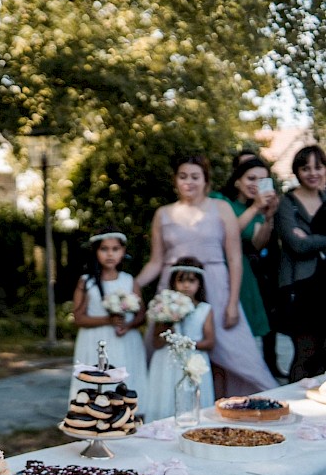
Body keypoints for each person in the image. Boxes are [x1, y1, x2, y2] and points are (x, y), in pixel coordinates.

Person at [136, 153, 276, 398]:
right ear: (175, 181)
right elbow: (156, 261)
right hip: (173, 291)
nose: (189, 182)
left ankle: (238, 405)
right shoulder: (163, 214)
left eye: (195, 176)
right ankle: (171, 406)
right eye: (183, 176)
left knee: (235, 354)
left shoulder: (221, 208)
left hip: (216, 287)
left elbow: (234, 258)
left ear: (206, 181)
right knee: (169, 350)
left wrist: (232, 303)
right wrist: (133, 285)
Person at [211, 157, 279, 367]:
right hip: (217, 268)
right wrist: (254, 208)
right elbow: (224, 234)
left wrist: (268, 218)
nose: (256, 185)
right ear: (237, 180)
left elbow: (258, 244)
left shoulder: (257, 211)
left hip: (243, 274)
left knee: (242, 338)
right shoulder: (219, 200)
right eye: (251, 178)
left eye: (262, 180)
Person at [69, 228, 148, 400]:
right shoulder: (86, 282)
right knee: (95, 384)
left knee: (125, 383)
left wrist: (128, 325)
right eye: (104, 249)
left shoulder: (129, 280)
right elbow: (79, 318)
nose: (110, 254)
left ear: (123, 252)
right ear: (96, 252)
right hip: (94, 341)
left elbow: (141, 315)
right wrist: (107, 319)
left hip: (125, 340)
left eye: (115, 249)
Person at [141, 258, 216, 421]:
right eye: (181, 280)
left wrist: (188, 344)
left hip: (193, 361)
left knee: (190, 400)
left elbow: (210, 342)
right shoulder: (164, 305)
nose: (186, 285)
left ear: (200, 283)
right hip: (166, 361)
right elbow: (156, 342)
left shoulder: (204, 309)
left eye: (191, 280)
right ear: (173, 282)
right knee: (166, 395)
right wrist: (168, 323)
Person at [276, 144, 326, 380]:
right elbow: (297, 245)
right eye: (306, 168)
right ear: (297, 171)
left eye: (318, 167)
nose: (313, 173)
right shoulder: (288, 204)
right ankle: (296, 410)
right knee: (306, 352)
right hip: (300, 288)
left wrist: (312, 239)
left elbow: (307, 242)